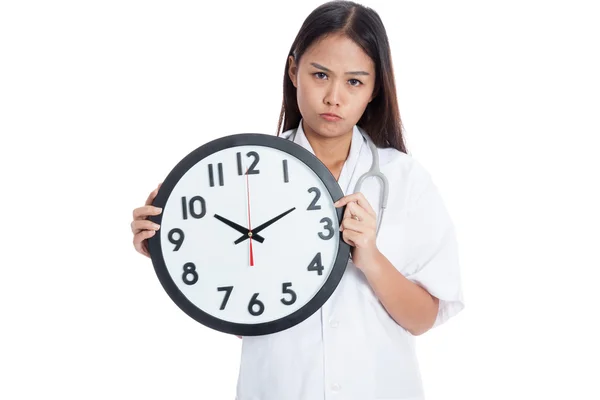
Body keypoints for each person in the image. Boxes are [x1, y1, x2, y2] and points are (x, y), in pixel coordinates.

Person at [130, 1, 464, 399]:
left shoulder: (405, 179)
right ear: (294, 71)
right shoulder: (242, 175)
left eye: (355, 81)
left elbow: (423, 318)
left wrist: (371, 258)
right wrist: (171, 252)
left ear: (376, 88)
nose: (334, 97)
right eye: (320, 75)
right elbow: (239, 315)